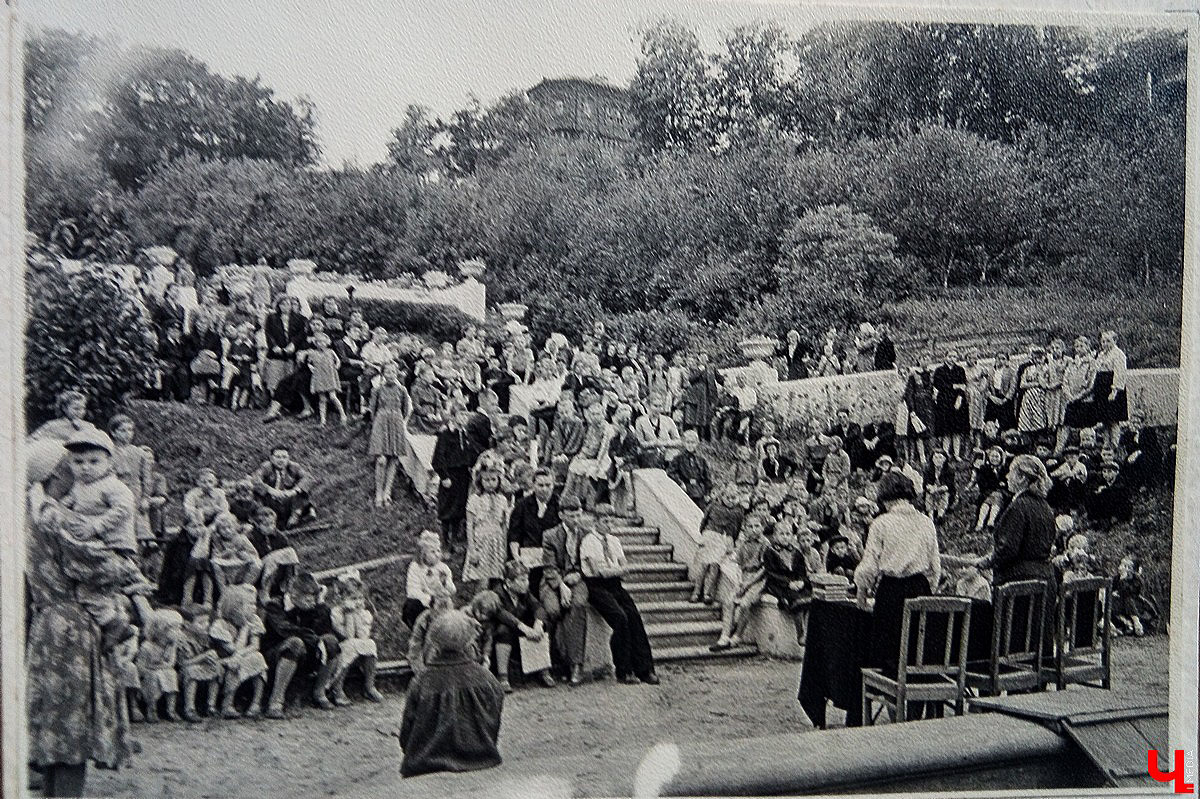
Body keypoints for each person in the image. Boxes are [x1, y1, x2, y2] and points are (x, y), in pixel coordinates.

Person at [26, 438, 136, 796]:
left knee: (52, 720)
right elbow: (104, 567)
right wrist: (126, 567)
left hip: (47, 621)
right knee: (72, 722)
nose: (78, 471)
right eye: (70, 465)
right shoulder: (58, 518)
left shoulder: (32, 512)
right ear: (56, 473)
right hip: (72, 626)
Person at [398, 609, 505, 778]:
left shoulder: (421, 681)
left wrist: (413, 752)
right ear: (470, 641)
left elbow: (407, 730)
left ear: (434, 642)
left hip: (426, 764)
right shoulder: (486, 677)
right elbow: (495, 713)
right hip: (481, 759)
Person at [854, 473, 942, 674]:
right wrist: (928, 590)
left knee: (887, 653)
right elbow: (935, 567)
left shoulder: (882, 523)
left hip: (892, 593)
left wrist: (862, 594)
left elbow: (869, 565)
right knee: (915, 649)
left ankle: (888, 685)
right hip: (920, 589)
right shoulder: (926, 522)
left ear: (884, 497)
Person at [581, 515, 660, 685]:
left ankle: (645, 670)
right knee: (620, 617)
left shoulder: (614, 541)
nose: (609, 524)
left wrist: (614, 571)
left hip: (615, 585)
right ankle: (624, 671)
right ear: (595, 522)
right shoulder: (588, 541)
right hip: (596, 587)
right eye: (605, 521)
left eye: (611, 521)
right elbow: (597, 571)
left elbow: (625, 567)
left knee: (634, 617)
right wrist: (617, 570)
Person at [260, 571, 340, 717]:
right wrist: (315, 640)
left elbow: (325, 629)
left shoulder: (312, 607)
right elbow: (285, 629)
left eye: (314, 599)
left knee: (331, 641)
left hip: (305, 655)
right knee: (295, 643)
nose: (313, 603)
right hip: (275, 657)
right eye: (309, 600)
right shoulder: (275, 605)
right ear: (294, 595)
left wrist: (321, 604)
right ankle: (276, 701)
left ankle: (319, 692)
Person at [476, 560, 555, 692]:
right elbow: (502, 614)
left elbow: (538, 607)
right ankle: (503, 677)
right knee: (503, 630)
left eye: (526, 579)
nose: (526, 583)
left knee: (543, 626)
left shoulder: (525, 592)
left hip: (520, 632)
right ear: (508, 582)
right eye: (522, 580)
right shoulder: (497, 594)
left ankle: (543, 670)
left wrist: (538, 624)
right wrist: (524, 628)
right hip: (500, 636)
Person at [540, 495, 590, 685]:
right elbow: (549, 567)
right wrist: (561, 585)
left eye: (578, 515)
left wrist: (579, 574)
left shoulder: (586, 534)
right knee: (552, 610)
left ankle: (576, 664)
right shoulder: (550, 535)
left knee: (578, 605)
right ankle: (553, 661)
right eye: (571, 516)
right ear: (561, 515)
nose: (575, 520)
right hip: (553, 580)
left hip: (577, 580)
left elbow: (589, 562)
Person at [208, 584, 269, 719]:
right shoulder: (220, 625)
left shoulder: (254, 620)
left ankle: (256, 703)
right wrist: (245, 629)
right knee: (234, 664)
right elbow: (233, 649)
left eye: (255, 604)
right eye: (250, 604)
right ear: (235, 607)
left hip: (241, 656)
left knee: (258, 657)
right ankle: (227, 704)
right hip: (221, 660)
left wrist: (240, 655)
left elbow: (255, 645)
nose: (254, 608)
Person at [326, 570, 384, 704]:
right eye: (353, 598)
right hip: (340, 651)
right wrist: (349, 613)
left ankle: (369, 686)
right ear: (341, 599)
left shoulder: (365, 614)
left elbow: (363, 636)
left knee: (370, 643)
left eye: (360, 598)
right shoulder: (336, 613)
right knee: (350, 645)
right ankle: (337, 689)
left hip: (359, 652)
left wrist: (356, 614)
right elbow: (348, 636)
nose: (358, 602)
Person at [368, 362, 412, 508]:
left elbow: (405, 410)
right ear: (383, 374)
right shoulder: (377, 390)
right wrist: (379, 421)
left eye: (393, 372)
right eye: (388, 372)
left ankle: (387, 492)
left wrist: (398, 420)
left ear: (397, 373)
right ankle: (378, 493)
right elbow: (372, 410)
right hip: (381, 422)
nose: (391, 375)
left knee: (393, 459)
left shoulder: (402, 390)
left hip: (396, 422)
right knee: (381, 460)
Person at [693, 483, 745, 604]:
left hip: (724, 538)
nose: (731, 501)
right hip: (710, 536)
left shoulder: (738, 511)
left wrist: (731, 541)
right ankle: (696, 592)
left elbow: (736, 528)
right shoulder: (713, 506)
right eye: (728, 497)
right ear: (722, 496)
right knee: (704, 565)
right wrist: (704, 534)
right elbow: (704, 521)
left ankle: (707, 593)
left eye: (734, 498)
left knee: (714, 566)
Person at [464, 466, 512, 592]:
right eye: (486, 480)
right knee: (482, 581)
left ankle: (495, 600)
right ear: (480, 481)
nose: (490, 483)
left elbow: (504, 525)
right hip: (481, 542)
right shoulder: (474, 499)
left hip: (497, 543)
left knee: (498, 580)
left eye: (493, 480)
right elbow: (469, 525)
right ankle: (480, 601)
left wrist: (505, 548)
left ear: (498, 481)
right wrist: (472, 550)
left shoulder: (502, 500)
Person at [403, 530, 456, 629]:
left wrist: (445, 583)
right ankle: (419, 628)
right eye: (432, 551)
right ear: (424, 554)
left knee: (447, 612)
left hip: (442, 603)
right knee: (410, 606)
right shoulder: (415, 567)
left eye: (438, 551)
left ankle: (441, 628)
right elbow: (412, 591)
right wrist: (430, 599)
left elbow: (452, 590)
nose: (437, 554)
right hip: (425, 602)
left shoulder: (444, 568)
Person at [262, 294, 307, 395]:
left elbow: (301, 334)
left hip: (291, 353)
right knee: (274, 380)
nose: (285, 306)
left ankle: (287, 401)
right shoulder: (271, 317)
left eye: (288, 304)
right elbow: (268, 333)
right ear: (278, 305)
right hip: (276, 354)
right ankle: (274, 398)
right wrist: (274, 346)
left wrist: (293, 344)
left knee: (289, 380)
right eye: (282, 304)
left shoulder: (299, 318)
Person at [1093, 330, 1129, 447]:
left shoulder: (1118, 354)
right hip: (1101, 388)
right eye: (1103, 341)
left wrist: (1114, 391)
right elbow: (1096, 369)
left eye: (1108, 341)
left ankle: (1115, 444)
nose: (1105, 344)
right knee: (1104, 419)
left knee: (1113, 419)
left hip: (1111, 388)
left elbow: (1119, 374)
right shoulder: (1101, 355)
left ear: (1115, 340)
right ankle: (1106, 444)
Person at [932, 349, 969, 459]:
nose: (952, 359)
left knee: (957, 431)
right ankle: (945, 454)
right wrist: (954, 386)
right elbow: (939, 385)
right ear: (945, 357)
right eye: (950, 356)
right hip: (944, 402)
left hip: (957, 401)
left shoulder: (960, 370)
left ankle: (957, 454)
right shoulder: (939, 370)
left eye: (954, 357)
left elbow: (963, 386)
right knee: (946, 431)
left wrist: (959, 398)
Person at [667, 429, 712, 507]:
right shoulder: (678, 458)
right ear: (684, 443)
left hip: (699, 490)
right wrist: (680, 483)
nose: (690, 445)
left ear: (697, 443)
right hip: (685, 489)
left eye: (692, 442)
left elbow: (707, 477)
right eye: (688, 442)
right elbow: (670, 472)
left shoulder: (701, 459)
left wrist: (708, 493)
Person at [902, 365, 935, 465]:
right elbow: (909, 394)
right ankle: (922, 456)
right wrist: (912, 410)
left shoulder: (931, 374)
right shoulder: (913, 376)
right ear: (919, 361)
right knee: (918, 432)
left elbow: (933, 389)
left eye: (927, 358)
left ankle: (931, 455)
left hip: (929, 406)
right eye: (923, 358)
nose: (925, 360)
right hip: (918, 407)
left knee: (929, 432)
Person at [923, 450, 957, 521]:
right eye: (935, 457)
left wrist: (938, 489)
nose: (937, 460)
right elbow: (925, 483)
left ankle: (940, 515)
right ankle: (930, 515)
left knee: (944, 495)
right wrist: (930, 488)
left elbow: (949, 486)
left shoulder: (949, 470)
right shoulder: (928, 469)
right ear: (932, 459)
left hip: (944, 490)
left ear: (945, 459)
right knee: (929, 494)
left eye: (940, 457)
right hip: (932, 490)